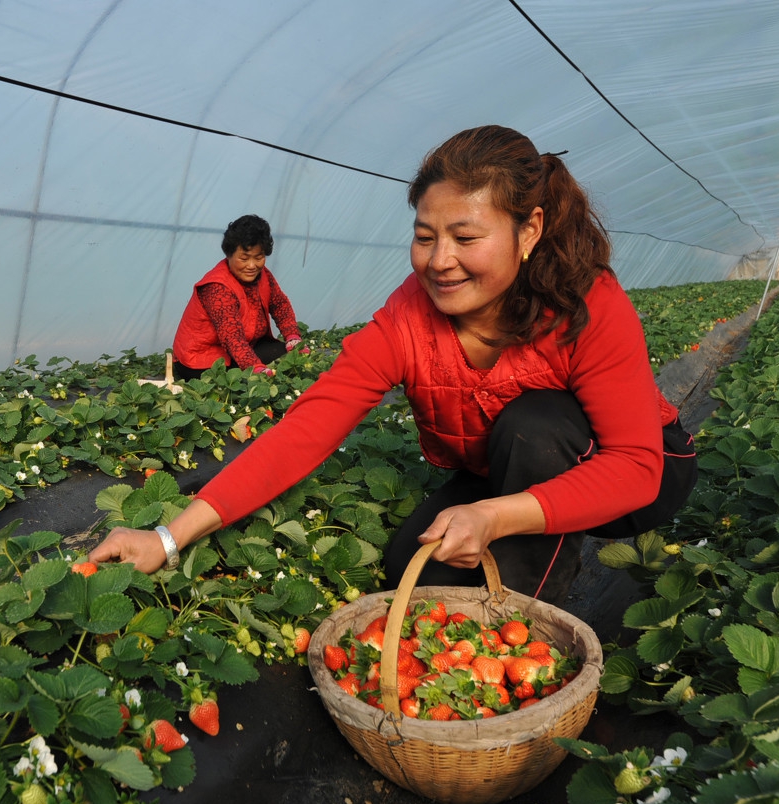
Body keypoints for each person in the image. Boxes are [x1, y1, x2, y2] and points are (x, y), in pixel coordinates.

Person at [91, 125, 698, 605]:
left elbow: (635, 467)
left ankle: (517, 633)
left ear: (529, 229)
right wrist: (168, 537)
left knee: (535, 427)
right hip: (502, 469)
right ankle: (497, 557)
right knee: (407, 559)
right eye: (425, 235)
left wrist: (492, 516)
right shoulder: (407, 320)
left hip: (638, 480)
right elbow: (307, 430)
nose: (440, 261)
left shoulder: (586, 301)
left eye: (465, 237)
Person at [171, 214, 307, 379]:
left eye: (259, 258)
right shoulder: (217, 287)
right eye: (244, 258)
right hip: (200, 359)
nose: (252, 265)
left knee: (289, 353)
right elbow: (232, 337)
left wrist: (293, 336)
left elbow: (280, 305)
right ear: (229, 255)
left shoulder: (264, 275)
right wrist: (255, 367)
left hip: (244, 346)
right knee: (252, 377)